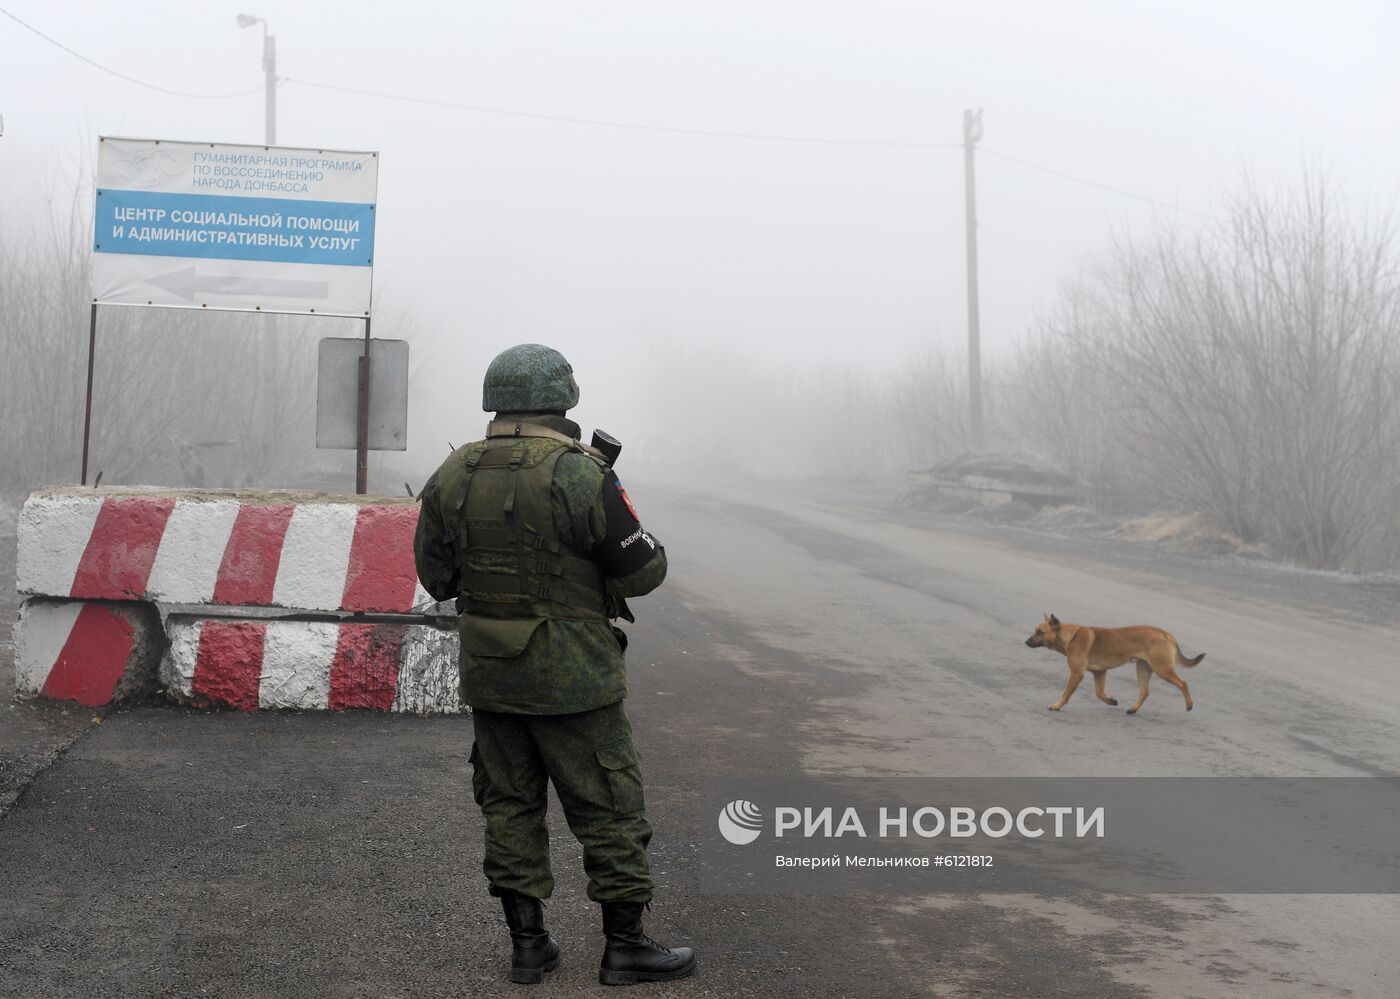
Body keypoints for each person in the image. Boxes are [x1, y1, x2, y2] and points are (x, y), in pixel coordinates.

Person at [414, 343, 696, 987]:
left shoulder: (452, 472)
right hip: (575, 679)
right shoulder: (579, 472)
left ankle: (529, 947)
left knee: (509, 805)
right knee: (608, 806)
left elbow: (435, 578)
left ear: (496, 400)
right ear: (562, 399)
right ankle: (625, 946)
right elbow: (645, 571)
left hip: (491, 673)